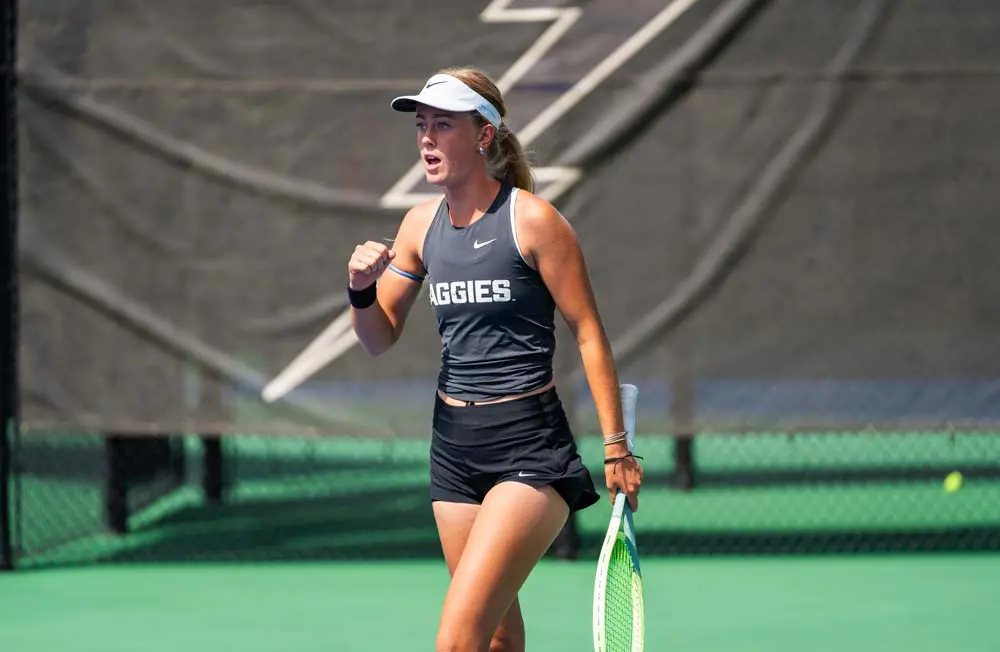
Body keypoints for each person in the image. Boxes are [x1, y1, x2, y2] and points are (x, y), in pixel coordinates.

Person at [347, 67, 644, 652]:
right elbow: (378, 336)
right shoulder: (419, 226)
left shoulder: (533, 221)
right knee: (498, 639)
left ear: (484, 136)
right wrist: (359, 289)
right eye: (422, 126)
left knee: (456, 641)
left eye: (443, 126)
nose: (427, 139)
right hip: (454, 450)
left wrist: (616, 447)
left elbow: (588, 333)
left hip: (529, 450)